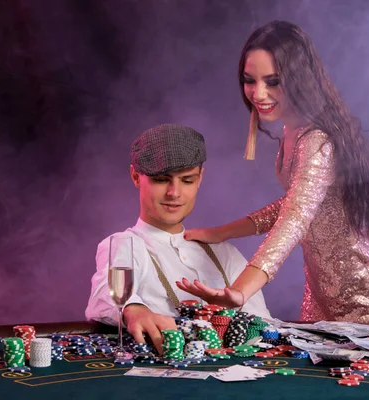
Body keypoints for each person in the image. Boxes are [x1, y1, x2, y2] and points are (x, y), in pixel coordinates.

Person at [176, 21, 369, 326]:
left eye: (273, 81)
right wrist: (220, 233)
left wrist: (240, 290)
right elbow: (294, 206)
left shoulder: (316, 140)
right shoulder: (290, 130)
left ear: (299, 79)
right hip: (321, 297)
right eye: (249, 80)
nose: (258, 93)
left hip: (368, 299)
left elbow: (295, 217)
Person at [85, 123, 271, 353]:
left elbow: (263, 327)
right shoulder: (125, 244)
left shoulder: (225, 253)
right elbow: (104, 296)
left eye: (187, 180)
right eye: (162, 180)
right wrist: (132, 309)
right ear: (135, 176)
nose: (174, 193)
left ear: (200, 178)